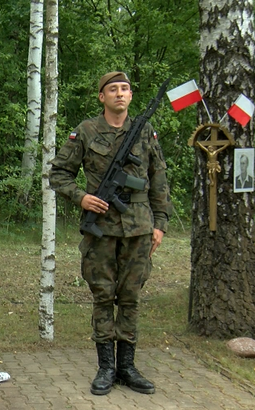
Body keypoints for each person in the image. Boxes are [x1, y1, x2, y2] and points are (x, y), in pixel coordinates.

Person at [49, 72, 171, 396]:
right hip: (100, 230)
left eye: (125, 89)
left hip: (139, 230)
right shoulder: (86, 132)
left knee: (130, 298)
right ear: (101, 97)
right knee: (103, 296)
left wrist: (160, 224)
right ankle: (106, 367)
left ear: (131, 96)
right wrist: (81, 197)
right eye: (113, 90)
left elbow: (158, 179)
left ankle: (127, 367)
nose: (120, 94)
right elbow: (59, 173)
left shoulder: (144, 132)